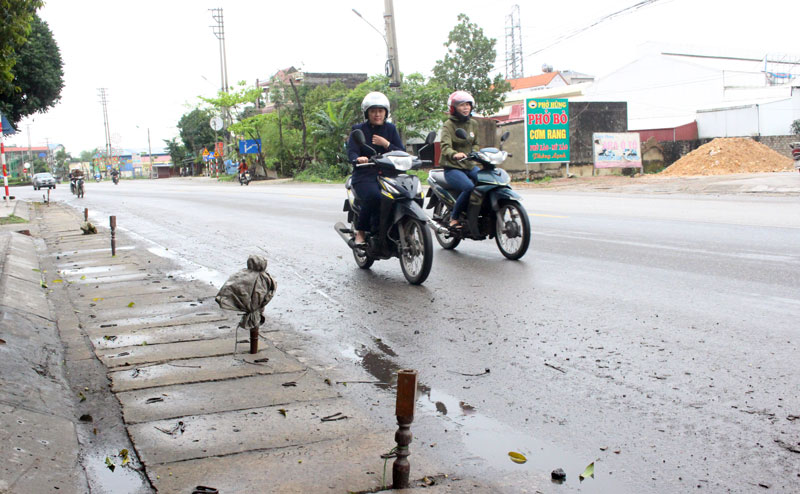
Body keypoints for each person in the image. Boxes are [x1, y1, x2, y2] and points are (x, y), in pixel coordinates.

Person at [346, 91, 404, 246]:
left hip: (388, 174)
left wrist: (386, 144)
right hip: (365, 174)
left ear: (386, 112)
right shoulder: (358, 129)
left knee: (404, 196)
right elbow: (352, 150)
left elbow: (401, 151)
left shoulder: (390, 129)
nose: (377, 114)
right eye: (373, 111)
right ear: (367, 113)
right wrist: (357, 158)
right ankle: (361, 232)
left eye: (380, 111)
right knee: (375, 196)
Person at [439, 90, 481, 228]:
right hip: (453, 167)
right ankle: (454, 217)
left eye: (468, 105)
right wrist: (454, 154)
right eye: (462, 105)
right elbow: (445, 147)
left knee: (486, 181)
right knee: (469, 187)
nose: (466, 108)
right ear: (454, 108)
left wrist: (475, 152)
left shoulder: (473, 123)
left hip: (469, 165)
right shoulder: (448, 125)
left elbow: (476, 142)